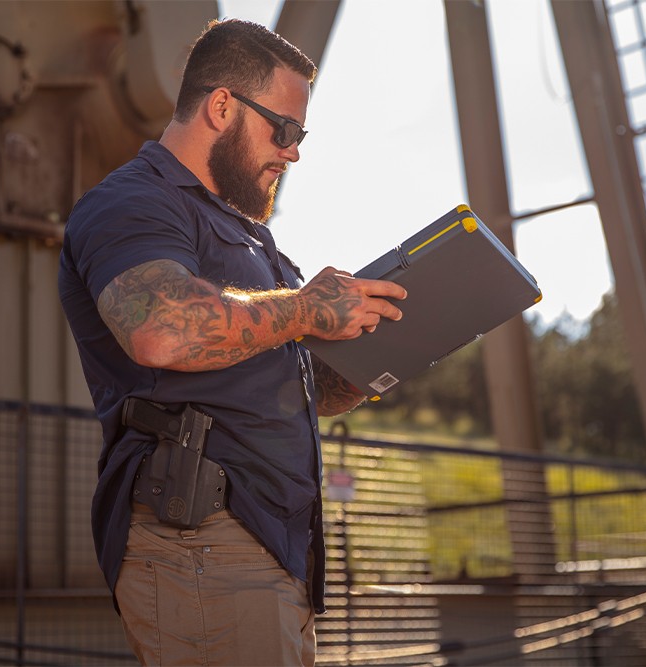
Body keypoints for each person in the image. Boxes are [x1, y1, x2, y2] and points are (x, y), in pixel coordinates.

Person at [57, 18, 406, 667]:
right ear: (222, 105)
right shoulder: (134, 202)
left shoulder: (252, 240)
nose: (294, 151)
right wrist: (305, 308)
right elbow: (162, 328)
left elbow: (296, 377)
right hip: (203, 545)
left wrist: (372, 356)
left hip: (273, 554)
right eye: (286, 129)